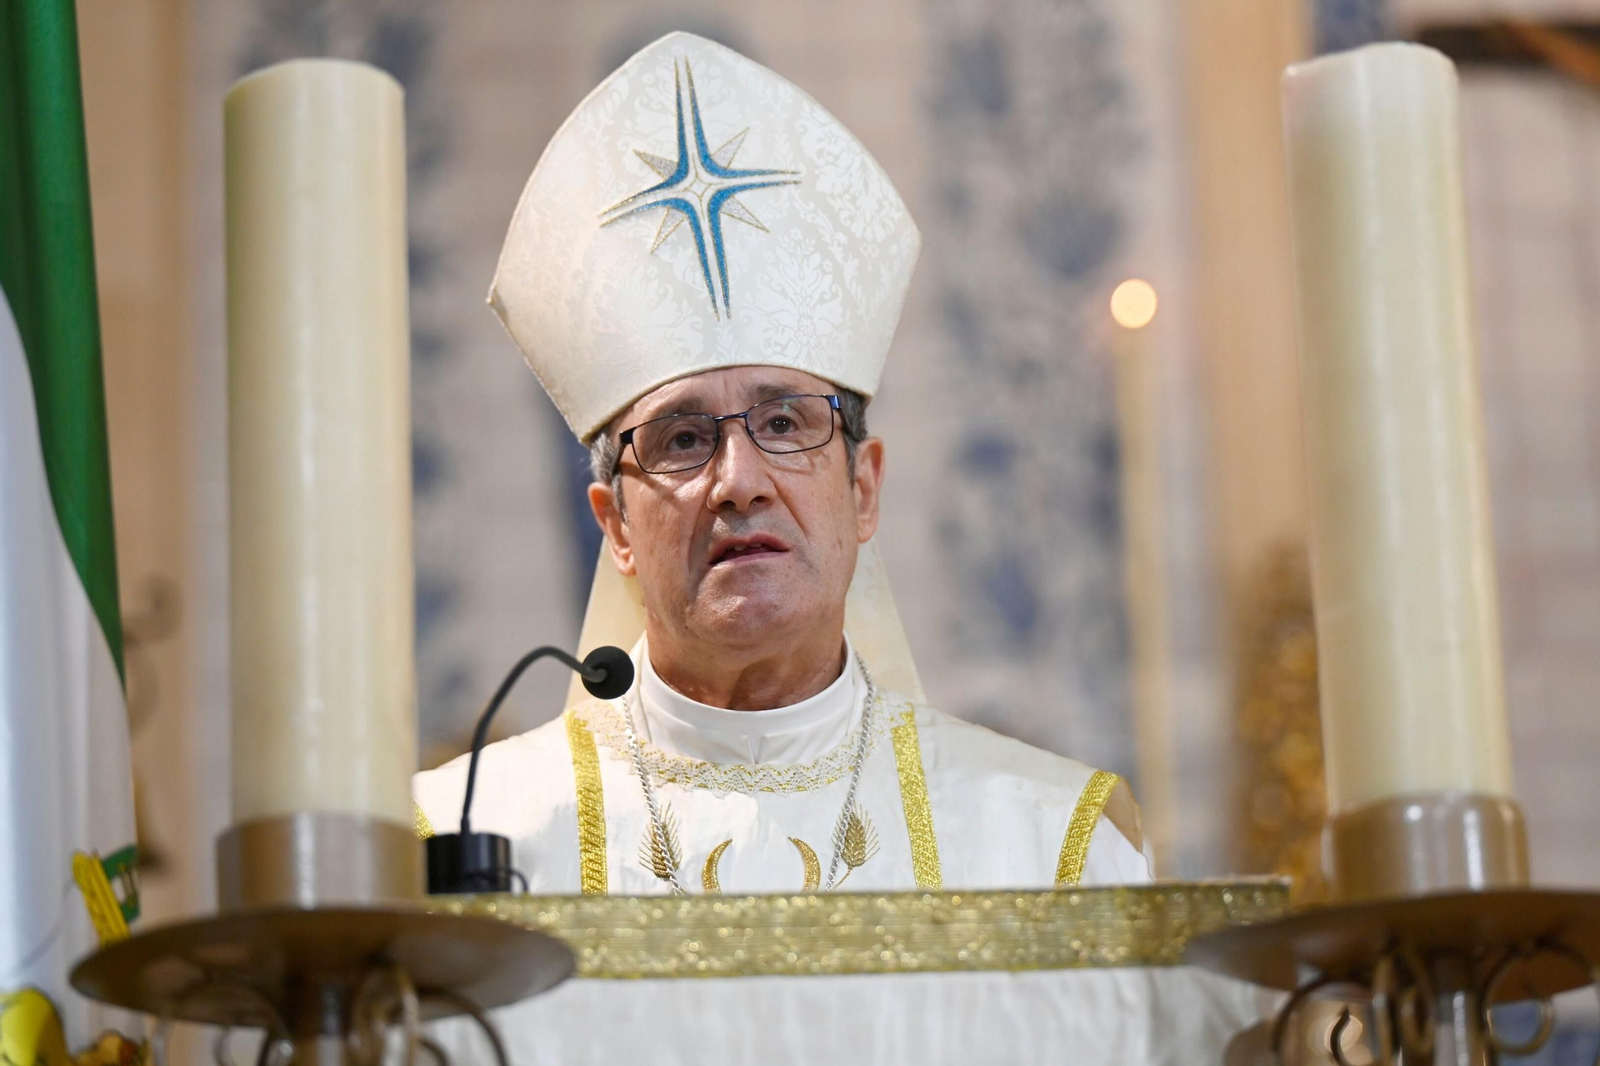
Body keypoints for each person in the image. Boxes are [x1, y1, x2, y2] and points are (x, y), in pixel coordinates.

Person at [412, 30, 1149, 895]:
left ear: (863, 488)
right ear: (614, 524)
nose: (740, 481)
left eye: (786, 422)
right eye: (683, 439)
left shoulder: (1046, 848)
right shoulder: (466, 852)